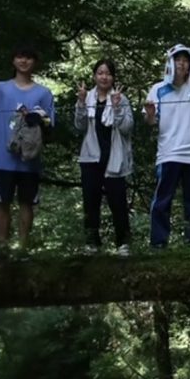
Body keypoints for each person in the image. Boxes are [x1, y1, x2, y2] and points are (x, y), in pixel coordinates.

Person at [0, 43, 55, 250]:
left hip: (30, 159)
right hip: (2, 158)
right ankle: (2, 247)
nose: (23, 61)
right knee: (3, 202)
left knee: (27, 203)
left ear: (34, 62)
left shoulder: (43, 93)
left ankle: (23, 249)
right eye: (19, 57)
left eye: (28, 57)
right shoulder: (0, 88)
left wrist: (35, 118)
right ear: (13, 61)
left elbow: (50, 124)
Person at [143, 44, 190, 248]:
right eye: (177, 59)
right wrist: (149, 113)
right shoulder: (158, 88)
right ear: (170, 62)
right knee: (163, 200)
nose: (181, 64)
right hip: (169, 152)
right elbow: (150, 122)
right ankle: (158, 243)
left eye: (185, 60)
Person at [75, 58, 133, 255]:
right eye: (100, 73)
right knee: (91, 201)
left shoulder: (121, 99)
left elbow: (127, 129)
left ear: (113, 77)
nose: (104, 77)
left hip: (114, 157)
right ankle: (92, 242)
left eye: (108, 73)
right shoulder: (87, 97)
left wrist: (116, 107)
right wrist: (81, 103)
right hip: (90, 157)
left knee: (118, 201)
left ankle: (123, 243)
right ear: (94, 76)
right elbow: (80, 126)